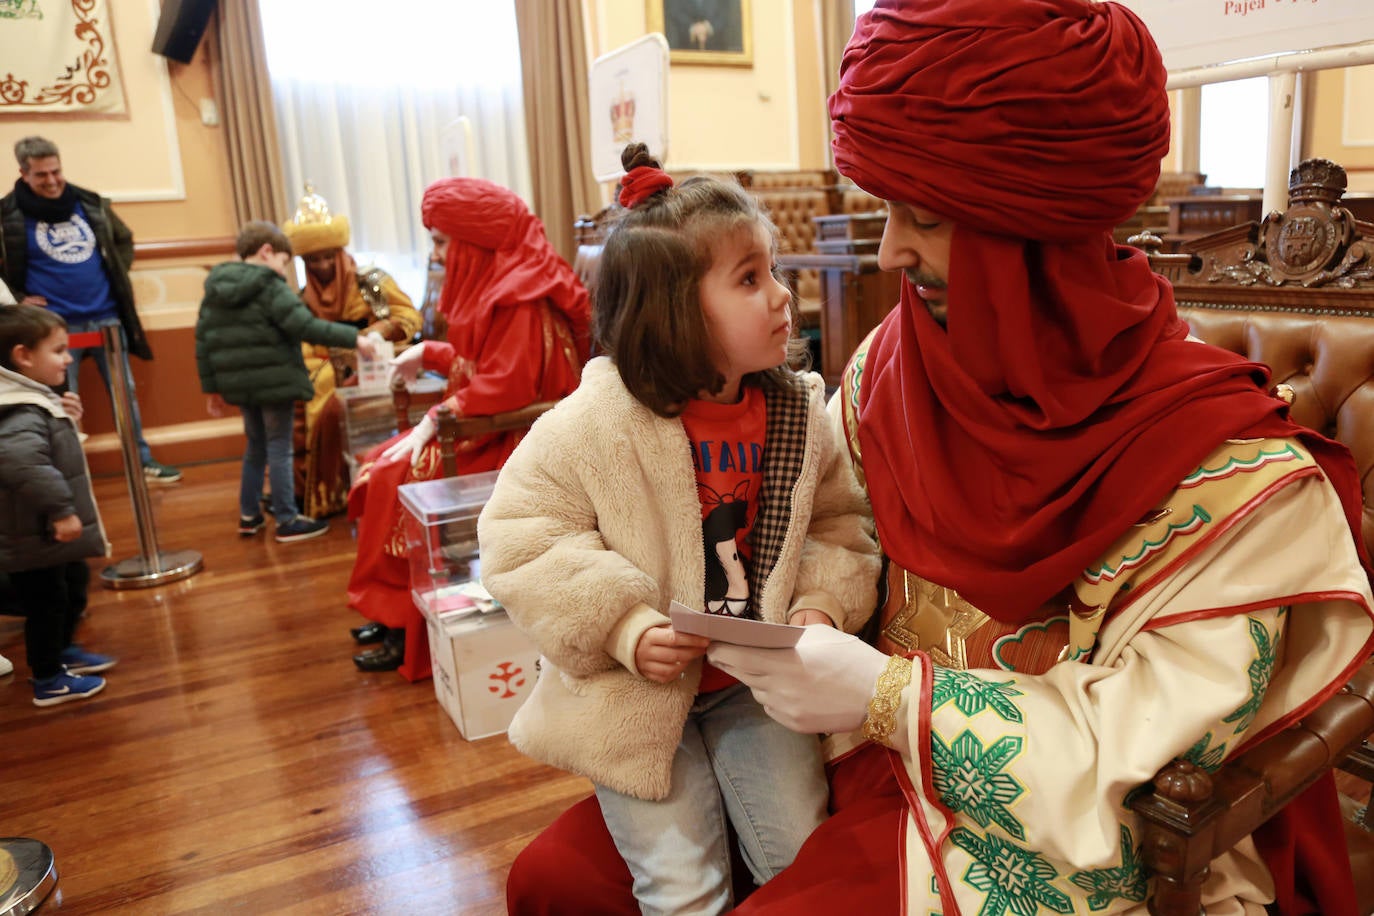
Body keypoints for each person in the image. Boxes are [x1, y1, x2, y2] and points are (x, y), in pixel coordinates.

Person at [503, 2, 1374, 914]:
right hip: (836, 747)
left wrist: (884, 696)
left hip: (1047, 837)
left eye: (925, 216)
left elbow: (1145, 759)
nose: (889, 250)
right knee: (555, 879)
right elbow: (823, 523)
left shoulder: (1242, 478)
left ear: (1033, 229)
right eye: (886, 208)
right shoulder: (895, 361)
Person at [478, 143, 881, 914]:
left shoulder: (797, 412)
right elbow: (522, 535)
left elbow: (839, 521)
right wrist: (625, 624)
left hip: (754, 686)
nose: (780, 297)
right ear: (673, 309)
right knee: (680, 884)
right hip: (633, 695)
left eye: (773, 270)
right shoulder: (596, 421)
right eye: (749, 279)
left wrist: (821, 608)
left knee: (800, 856)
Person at [346, 177, 591, 676]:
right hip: (489, 429)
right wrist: (429, 352)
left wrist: (439, 416)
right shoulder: (509, 280)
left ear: (473, 240)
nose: (435, 254)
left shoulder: (523, 295)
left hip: (520, 443)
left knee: (392, 476)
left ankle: (402, 622)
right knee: (380, 463)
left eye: (440, 241)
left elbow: (509, 387)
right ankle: (392, 609)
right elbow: (486, 363)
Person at [0, 136, 181, 484]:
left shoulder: (90, 203)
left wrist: (116, 269)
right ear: (23, 174)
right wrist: (18, 297)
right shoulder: (8, 215)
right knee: (58, 400)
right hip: (50, 328)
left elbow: (123, 239)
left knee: (123, 393)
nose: (52, 181)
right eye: (41, 176)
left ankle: (141, 459)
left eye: (56, 171)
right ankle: (66, 470)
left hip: (106, 318)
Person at [195, 221, 381, 544]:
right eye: (284, 261)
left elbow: (203, 341)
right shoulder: (270, 286)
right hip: (274, 380)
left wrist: (212, 389)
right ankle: (286, 518)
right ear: (267, 252)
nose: (284, 270)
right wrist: (355, 339)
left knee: (255, 446)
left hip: (239, 385)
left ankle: (249, 516)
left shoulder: (215, 289)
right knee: (279, 446)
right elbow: (306, 326)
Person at [281, 184, 422, 524]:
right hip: (324, 367)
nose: (323, 265)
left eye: (329, 257)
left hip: (374, 365)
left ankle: (332, 492)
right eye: (314, 260)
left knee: (327, 406)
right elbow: (303, 344)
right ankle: (304, 492)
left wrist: (376, 332)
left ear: (341, 253)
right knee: (297, 397)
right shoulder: (301, 297)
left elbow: (408, 317)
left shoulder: (371, 283)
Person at [0, 304, 115, 706]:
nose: (69, 357)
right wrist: (63, 510)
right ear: (23, 356)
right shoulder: (18, 409)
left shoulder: (32, 400)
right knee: (47, 603)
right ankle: (49, 677)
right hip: (35, 533)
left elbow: (51, 451)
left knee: (71, 586)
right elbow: (23, 464)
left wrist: (68, 419)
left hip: (44, 533)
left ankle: (63, 652)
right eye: (59, 350)